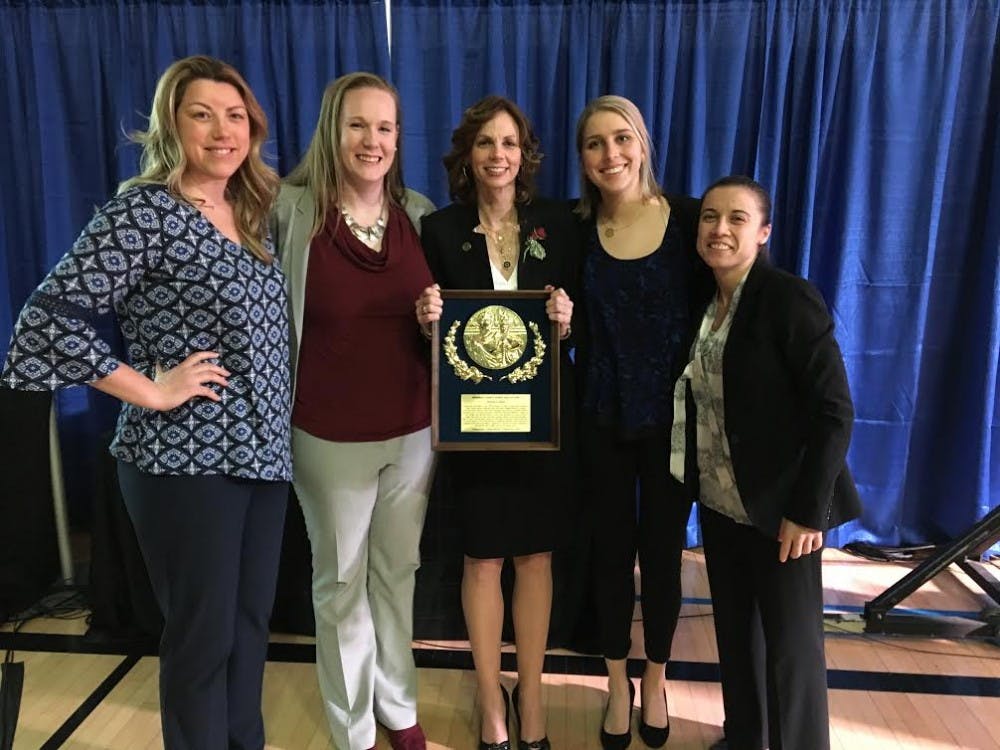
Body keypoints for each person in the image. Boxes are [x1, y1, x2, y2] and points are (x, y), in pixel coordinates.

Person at [1, 55, 289, 748]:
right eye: (202, 114)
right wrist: (151, 390)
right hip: (184, 461)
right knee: (203, 636)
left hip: (262, 457)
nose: (222, 130)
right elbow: (45, 322)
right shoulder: (145, 212)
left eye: (235, 115)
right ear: (171, 124)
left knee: (250, 629)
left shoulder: (251, 213)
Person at [270, 72, 435, 750]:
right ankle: (353, 730)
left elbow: (450, 327)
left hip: (414, 433)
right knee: (341, 586)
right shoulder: (288, 210)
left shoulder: (421, 215)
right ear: (333, 131)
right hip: (327, 434)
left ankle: (399, 711)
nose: (373, 140)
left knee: (397, 578)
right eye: (359, 125)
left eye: (386, 127)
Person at [671, 175, 861, 750]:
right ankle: (745, 738)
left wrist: (808, 512)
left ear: (763, 232)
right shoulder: (704, 304)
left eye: (736, 218)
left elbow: (835, 411)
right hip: (725, 504)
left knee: (791, 647)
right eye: (709, 217)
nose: (719, 229)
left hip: (785, 511)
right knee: (736, 636)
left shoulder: (787, 298)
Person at [415, 95, 577, 750]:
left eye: (509, 143)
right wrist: (425, 316)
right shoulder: (439, 229)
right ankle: (491, 702)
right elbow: (436, 335)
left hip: (540, 424)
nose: (498, 156)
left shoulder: (560, 225)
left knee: (536, 557)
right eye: (485, 144)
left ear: (525, 154)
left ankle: (530, 691)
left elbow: (581, 322)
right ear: (467, 155)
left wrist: (569, 320)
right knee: (481, 560)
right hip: (473, 425)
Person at [573, 95, 712, 750]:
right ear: (584, 159)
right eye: (596, 143)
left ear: (644, 144)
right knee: (608, 553)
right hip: (600, 416)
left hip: (671, 422)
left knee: (661, 554)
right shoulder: (576, 230)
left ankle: (656, 674)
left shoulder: (687, 221)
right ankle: (615, 679)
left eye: (621, 139)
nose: (611, 154)